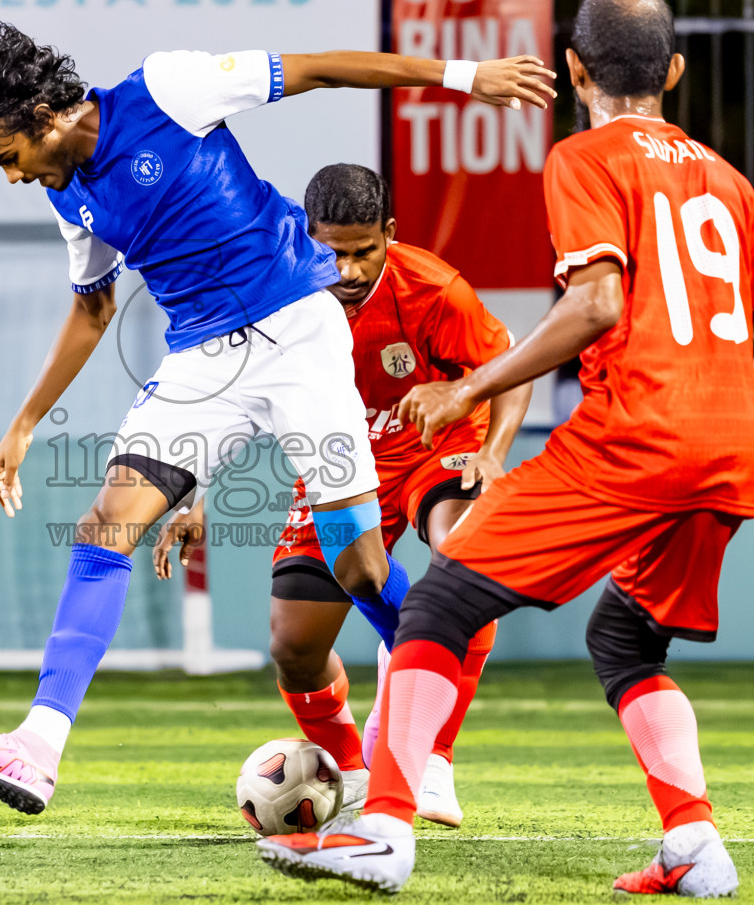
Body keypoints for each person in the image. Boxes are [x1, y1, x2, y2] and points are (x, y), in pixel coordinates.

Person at [0, 18, 556, 815]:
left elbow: (324, 65)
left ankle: (421, 724)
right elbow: (92, 310)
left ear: (39, 115)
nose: (9, 176)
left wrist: (464, 76)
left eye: (6, 158)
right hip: (199, 361)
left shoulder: (168, 90)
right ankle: (36, 749)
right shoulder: (65, 196)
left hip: (297, 327)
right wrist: (23, 422)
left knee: (356, 566)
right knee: (106, 524)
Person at [256, 0, 754, 898]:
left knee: (435, 609)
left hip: (634, 438)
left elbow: (595, 305)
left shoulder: (584, 159)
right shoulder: (729, 181)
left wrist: (466, 387)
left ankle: (385, 828)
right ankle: (696, 847)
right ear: (673, 70)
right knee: (627, 642)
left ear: (576, 68)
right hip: (731, 443)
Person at [151, 163, 531, 825]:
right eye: (333, 252)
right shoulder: (275, 297)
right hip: (337, 461)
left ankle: (432, 760)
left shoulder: (436, 291)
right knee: (294, 646)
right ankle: (353, 774)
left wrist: (493, 453)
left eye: (364, 252)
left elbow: (509, 367)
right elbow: (231, 399)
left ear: (389, 233)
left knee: (465, 554)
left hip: (435, 447)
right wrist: (197, 495)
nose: (349, 270)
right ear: (305, 235)